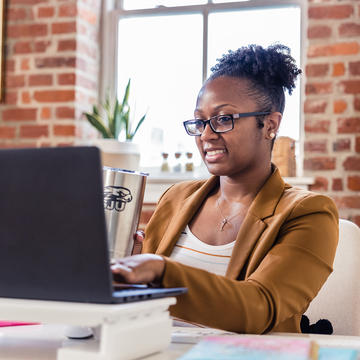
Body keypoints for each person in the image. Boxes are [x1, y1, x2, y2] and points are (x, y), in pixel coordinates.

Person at [111, 44, 339, 334]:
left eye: (223, 119)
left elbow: (261, 307)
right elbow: (144, 303)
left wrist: (161, 271)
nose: (206, 134)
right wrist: (129, 271)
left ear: (270, 124)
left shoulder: (310, 212)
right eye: (200, 121)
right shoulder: (176, 198)